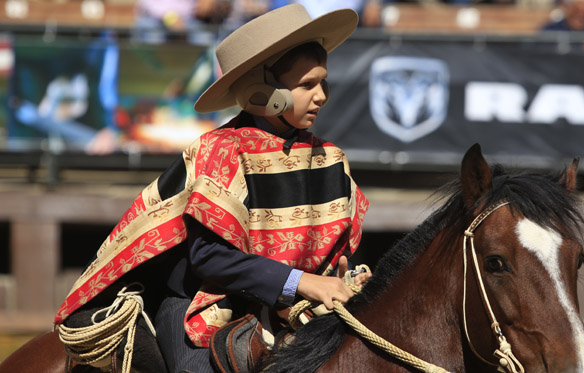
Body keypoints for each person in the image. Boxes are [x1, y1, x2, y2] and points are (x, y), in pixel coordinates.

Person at [54, 4, 369, 372]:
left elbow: (334, 253)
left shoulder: (330, 156)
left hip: (296, 306)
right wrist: (303, 283)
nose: (322, 96)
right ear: (262, 91)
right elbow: (209, 259)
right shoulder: (222, 150)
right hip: (203, 306)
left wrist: (343, 275)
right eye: (306, 85)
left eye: (323, 82)